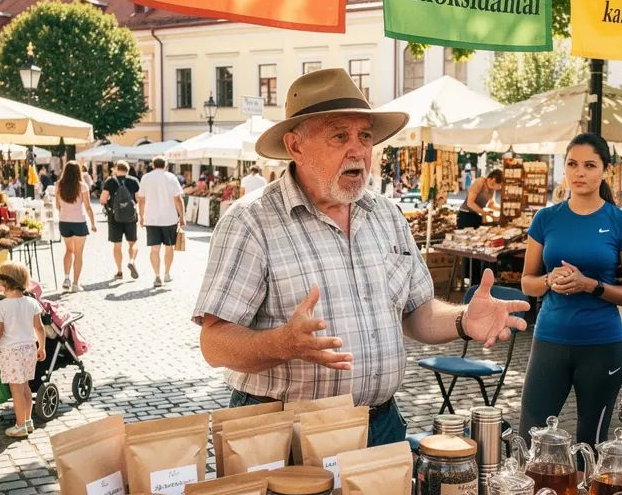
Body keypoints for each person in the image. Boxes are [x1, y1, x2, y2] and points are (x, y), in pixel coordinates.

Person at [193, 68, 528, 447]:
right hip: (285, 432)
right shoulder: (251, 220)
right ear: (295, 147)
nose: (359, 150)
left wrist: (464, 320)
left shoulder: (385, 214)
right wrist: (283, 343)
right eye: (340, 135)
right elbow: (214, 343)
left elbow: (417, 313)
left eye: (365, 136)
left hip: (381, 425)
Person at [519, 133, 622, 448]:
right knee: (531, 437)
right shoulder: (546, 218)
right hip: (549, 340)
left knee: (591, 444)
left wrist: (591, 286)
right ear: (563, 168)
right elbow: (527, 282)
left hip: (601, 345)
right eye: (572, 164)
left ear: (605, 170)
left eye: (590, 165)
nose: (579, 172)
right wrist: (549, 280)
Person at [0, 261, 46, 439]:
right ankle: (27, 421)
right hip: (29, 349)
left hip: (11, 352)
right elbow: (39, 328)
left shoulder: (0, 306)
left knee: (16, 391)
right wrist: (42, 347)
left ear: (3, 282)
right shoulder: (32, 302)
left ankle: (19, 426)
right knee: (25, 387)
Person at [138, 154, 185, 288]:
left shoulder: (146, 178)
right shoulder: (171, 177)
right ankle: (167, 274)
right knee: (169, 247)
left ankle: (157, 275)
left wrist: (141, 217)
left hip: (151, 218)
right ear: (166, 165)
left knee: (154, 249)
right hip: (169, 218)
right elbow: (178, 198)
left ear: (153, 165)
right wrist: (182, 216)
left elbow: (141, 199)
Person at [55, 160, 96, 293]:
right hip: (79, 221)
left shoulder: (59, 185)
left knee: (68, 250)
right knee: (78, 254)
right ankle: (75, 283)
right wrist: (93, 223)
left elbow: (57, 206)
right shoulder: (83, 186)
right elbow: (88, 206)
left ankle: (66, 278)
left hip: (64, 221)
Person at [100, 160, 140, 284]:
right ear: (127, 170)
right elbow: (138, 198)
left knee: (117, 245)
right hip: (130, 217)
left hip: (114, 217)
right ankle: (132, 260)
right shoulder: (133, 181)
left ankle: (119, 271)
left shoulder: (110, 181)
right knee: (133, 242)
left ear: (116, 169)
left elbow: (102, 199)